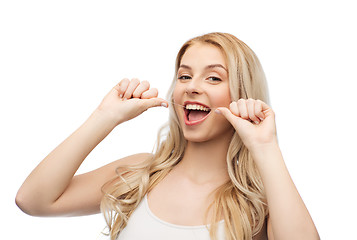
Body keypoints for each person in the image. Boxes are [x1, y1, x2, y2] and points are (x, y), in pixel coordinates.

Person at [15, 32, 319, 240]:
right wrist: (104, 117)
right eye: (185, 75)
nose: (192, 86)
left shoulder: (262, 198)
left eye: (213, 77)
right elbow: (33, 201)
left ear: (242, 95)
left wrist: (265, 146)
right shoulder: (140, 174)